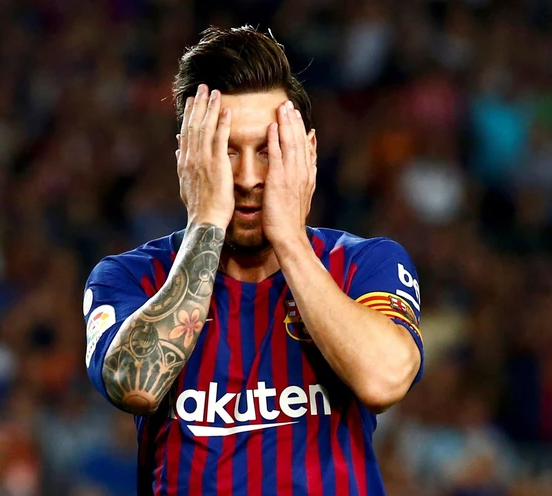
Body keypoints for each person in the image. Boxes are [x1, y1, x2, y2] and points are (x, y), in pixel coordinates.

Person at [83, 25, 424, 496]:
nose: (246, 177)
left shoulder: (362, 264)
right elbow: (134, 386)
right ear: (188, 159)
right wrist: (206, 222)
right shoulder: (131, 276)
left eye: (268, 150)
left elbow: (383, 382)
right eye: (226, 151)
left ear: (307, 153)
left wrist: (290, 239)